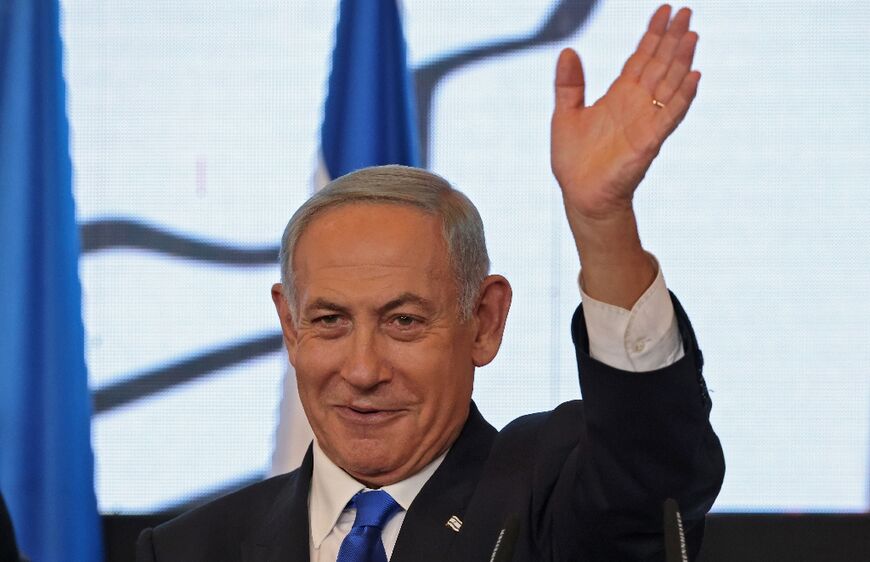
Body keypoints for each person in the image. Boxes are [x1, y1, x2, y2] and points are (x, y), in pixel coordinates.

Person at [137, 5, 724, 561]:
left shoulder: (542, 499)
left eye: (404, 322)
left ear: (485, 322)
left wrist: (602, 223)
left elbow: (649, 472)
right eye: (329, 321)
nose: (363, 370)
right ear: (290, 327)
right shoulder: (192, 547)